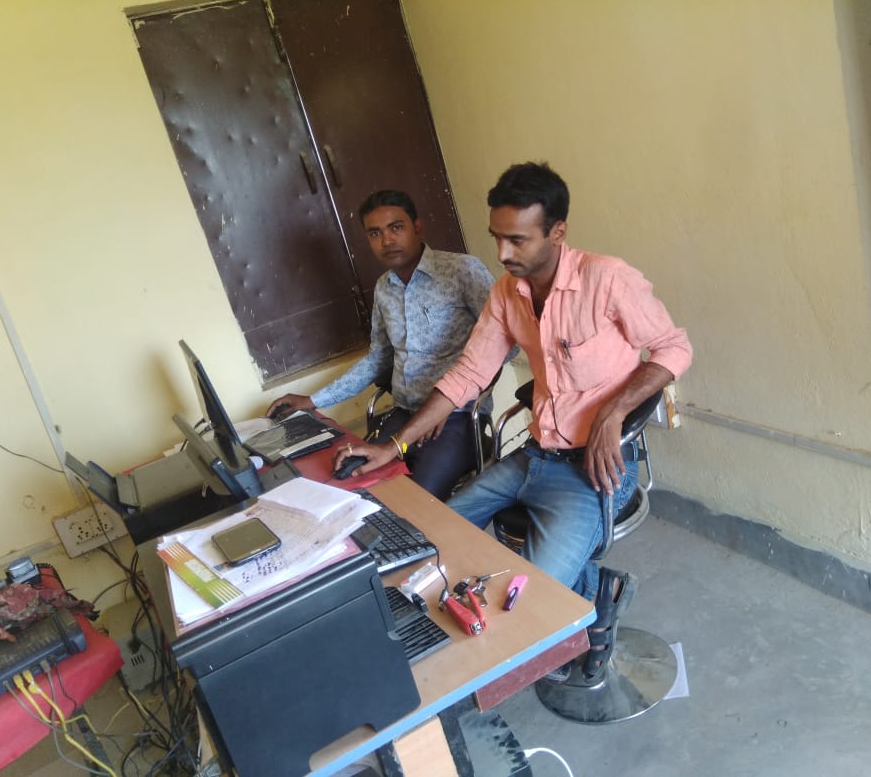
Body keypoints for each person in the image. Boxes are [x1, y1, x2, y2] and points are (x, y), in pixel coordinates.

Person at [334, 163, 693, 679]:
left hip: (595, 470)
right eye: (497, 238)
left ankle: (597, 594)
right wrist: (396, 445)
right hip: (533, 457)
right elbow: (469, 373)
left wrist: (613, 412)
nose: (503, 254)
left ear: (557, 232)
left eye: (517, 240)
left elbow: (674, 348)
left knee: (532, 596)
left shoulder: (607, 279)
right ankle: (591, 588)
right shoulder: (508, 292)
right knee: (435, 537)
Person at [267, 189, 495, 499]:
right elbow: (378, 359)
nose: (387, 240)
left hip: (457, 418)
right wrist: (313, 400)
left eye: (396, 227)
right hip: (403, 413)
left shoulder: (462, 271)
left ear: (418, 227)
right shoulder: (384, 289)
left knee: (417, 500)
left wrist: (452, 402)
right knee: (356, 480)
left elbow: (505, 345)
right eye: (375, 233)